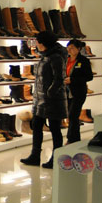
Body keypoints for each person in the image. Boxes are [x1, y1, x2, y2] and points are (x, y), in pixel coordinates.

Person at [20, 30, 68, 169]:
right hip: (41, 99)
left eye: (37, 41)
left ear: (42, 43)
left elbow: (59, 79)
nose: (35, 44)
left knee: (54, 128)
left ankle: (56, 157)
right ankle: (35, 155)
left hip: (52, 99)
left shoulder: (55, 57)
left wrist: (49, 93)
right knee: (36, 125)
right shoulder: (46, 55)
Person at [64, 39, 94, 143]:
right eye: (68, 48)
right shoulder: (65, 60)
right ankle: (75, 139)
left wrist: (73, 80)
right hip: (67, 92)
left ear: (79, 49)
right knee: (71, 116)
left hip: (78, 92)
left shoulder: (83, 61)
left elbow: (89, 77)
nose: (69, 50)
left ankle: (71, 139)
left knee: (73, 115)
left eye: (72, 48)